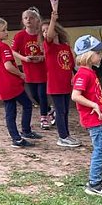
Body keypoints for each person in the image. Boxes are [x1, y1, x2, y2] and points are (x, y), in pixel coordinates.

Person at [0, 16, 40, 147]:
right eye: (4, 30)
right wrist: (21, 74)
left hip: (1, 85)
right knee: (27, 105)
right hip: (11, 84)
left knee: (10, 111)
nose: (7, 32)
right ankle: (23, 133)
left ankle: (16, 137)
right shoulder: (3, 46)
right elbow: (8, 66)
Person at [71, 35, 102, 196]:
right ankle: (94, 183)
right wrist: (95, 105)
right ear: (88, 55)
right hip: (92, 118)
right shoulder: (83, 74)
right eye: (98, 52)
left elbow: (91, 95)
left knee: (101, 148)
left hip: (97, 117)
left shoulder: (89, 72)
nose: (100, 55)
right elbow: (75, 96)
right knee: (101, 149)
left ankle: (97, 176)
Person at [42, 11, 79, 147]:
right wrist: (52, 18)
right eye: (44, 31)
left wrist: (73, 76)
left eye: (48, 29)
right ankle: (62, 137)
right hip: (55, 85)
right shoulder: (48, 47)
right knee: (60, 111)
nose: (46, 32)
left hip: (65, 84)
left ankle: (66, 135)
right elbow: (49, 37)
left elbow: (69, 65)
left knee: (65, 111)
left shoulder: (65, 47)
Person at [12, 7, 52, 129]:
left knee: (42, 94)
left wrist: (43, 57)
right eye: (26, 18)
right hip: (29, 70)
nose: (28, 20)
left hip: (42, 70)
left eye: (31, 17)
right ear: (23, 21)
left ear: (37, 20)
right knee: (34, 95)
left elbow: (50, 49)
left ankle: (44, 117)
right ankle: (50, 110)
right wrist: (24, 58)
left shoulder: (42, 34)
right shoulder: (19, 36)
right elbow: (13, 51)